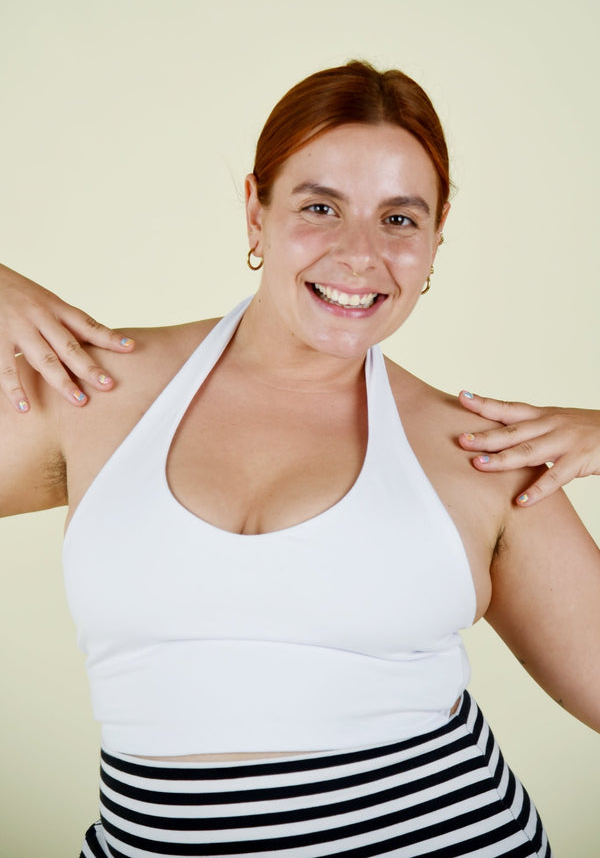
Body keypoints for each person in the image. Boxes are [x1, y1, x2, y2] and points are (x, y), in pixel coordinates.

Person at [1, 60, 599, 858]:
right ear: (256, 211)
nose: (360, 254)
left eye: (399, 219)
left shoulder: (483, 453)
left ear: (437, 235)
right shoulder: (97, 388)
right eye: (321, 207)